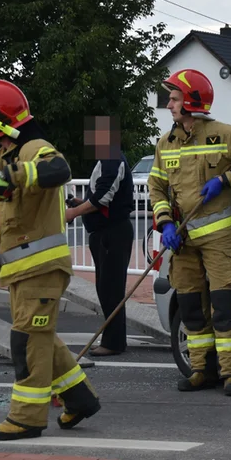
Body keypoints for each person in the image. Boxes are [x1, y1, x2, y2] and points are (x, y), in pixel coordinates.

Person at [0, 78, 100, 440]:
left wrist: (17, 175)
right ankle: (80, 399)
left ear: (0, 122)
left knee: (27, 342)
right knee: (40, 337)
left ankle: (27, 418)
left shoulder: (35, 150)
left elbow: (58, 170)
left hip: (42, 268)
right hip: (20, 272)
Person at [149, 68, 231, 396]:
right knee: (190, 306)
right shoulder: (166, 143)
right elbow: (156, 187)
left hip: (218, 238)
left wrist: (224, 180)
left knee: (222, 306)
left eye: (173, 99)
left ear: (190, 101)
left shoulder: (223, 134)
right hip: (183, 241)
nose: (169, 105)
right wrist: (166, 224)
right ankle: (200, 370)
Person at [65, 116, 136, 356]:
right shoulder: (107, 159)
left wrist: (74, 211)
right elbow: (101, 197)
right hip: (106, 232)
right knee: (106, 289)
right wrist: (79, 202)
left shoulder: (112, 159)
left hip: (112, 232)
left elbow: (102, 198)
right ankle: (113, 339)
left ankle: (113, 343)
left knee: (111, 289)